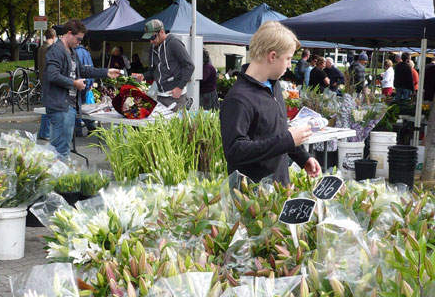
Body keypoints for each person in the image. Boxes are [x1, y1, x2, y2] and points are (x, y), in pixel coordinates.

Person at [219, 20, 321, 185]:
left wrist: (302, 156)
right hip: (252, 200)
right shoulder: (238, 98)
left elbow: (277, 131)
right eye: (288, 58)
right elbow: (235, 150)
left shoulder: (274, 86)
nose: (289, 66)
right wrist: (288, 140)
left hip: (277, 191)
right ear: (272, 56)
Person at [43, 19, 120, 159]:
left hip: (68, 106)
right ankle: (57, 178)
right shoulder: (56, 50)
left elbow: (82, 70)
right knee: (61, 151)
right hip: (60, 107)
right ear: (69, 33)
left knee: (60, 150)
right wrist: (74, 83)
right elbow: (52, 75)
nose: (79, 42)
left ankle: (56, 177)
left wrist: (106, 72)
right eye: (78, 39)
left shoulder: (71, 51)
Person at [136, 19, 195, 112]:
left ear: (162, 32)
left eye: (153, 37)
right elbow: (153, 71)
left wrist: (180, 87)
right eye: (149, 39)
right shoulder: (152, 48)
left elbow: (189, 66)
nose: (151, 41)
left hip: (176, 97)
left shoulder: (174, 43)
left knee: (177, 125)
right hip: (160, 97)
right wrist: (143, 76)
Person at [37, 28, 57, 140]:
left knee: (46, 106)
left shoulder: (41, 48)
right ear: (54, 37)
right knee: (48, 107)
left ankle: (44, 131)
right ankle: (45, 132)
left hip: (43, 78)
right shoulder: (49, 49)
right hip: (49, 80)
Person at [74, 43, 97, 137]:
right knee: (82, 107)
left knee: (75, 107)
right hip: (86, 82)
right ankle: (91, 126)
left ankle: (78, 130)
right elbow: (91, 67)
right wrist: (91, 82)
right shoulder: (86, 52)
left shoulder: (74, 52)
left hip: (78, 82)